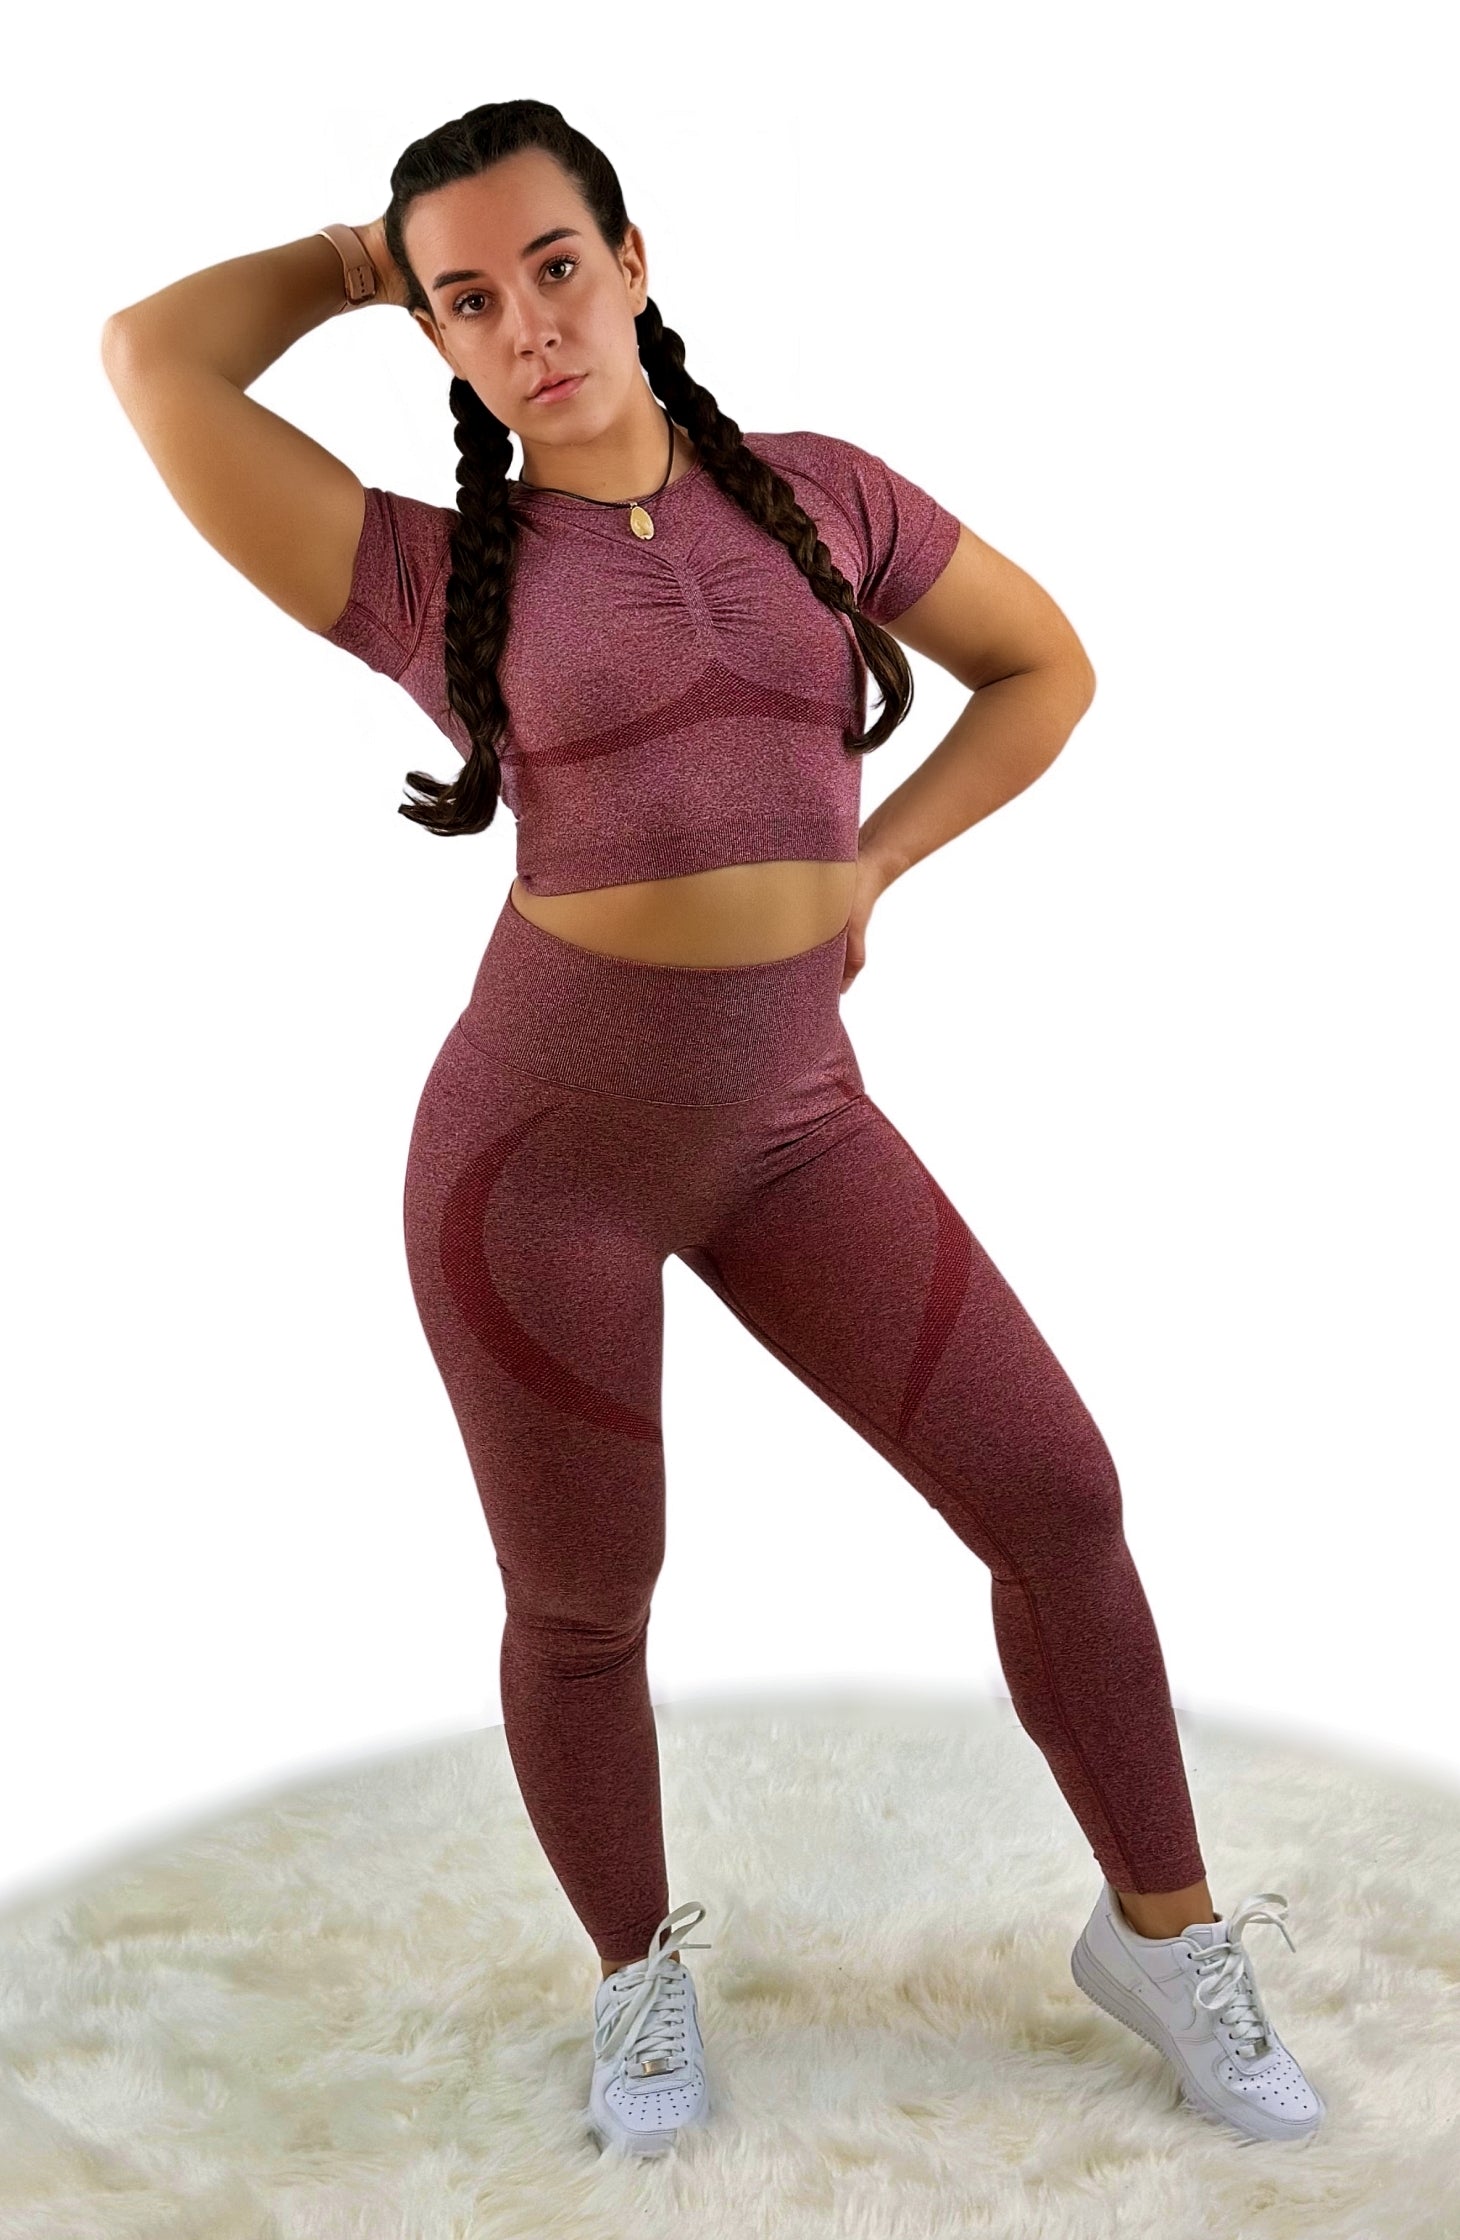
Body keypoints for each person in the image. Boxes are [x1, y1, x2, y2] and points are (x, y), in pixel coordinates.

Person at [100, 97, 1324, 2160]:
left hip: (798, 1128)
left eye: (555, 267)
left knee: (1055, 1494)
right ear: (432, 333)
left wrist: (879, 863)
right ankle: (634, 1977)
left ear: (635, 262)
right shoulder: (421, 569)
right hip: (539, 1167)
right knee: (588, 1601)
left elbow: (1041, 667)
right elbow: (151, 355)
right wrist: (353, 263)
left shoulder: (824, 492)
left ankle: (1165, 1937)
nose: (526, 325)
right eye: (468, 300)